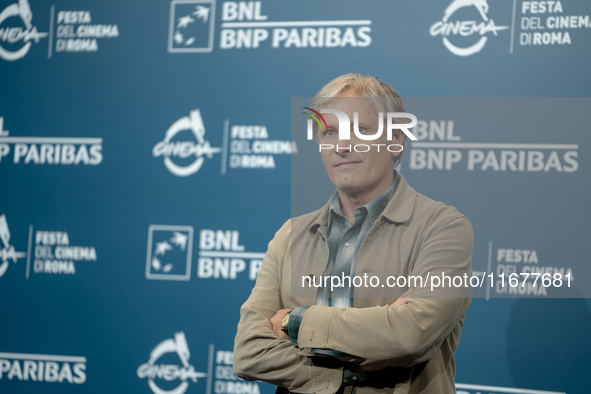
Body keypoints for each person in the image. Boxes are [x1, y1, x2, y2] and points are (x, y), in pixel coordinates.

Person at [233, 73, 473, 394]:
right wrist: (354, 366)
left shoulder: (444, 228)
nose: (343, 145)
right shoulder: (290, 235)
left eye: (360, 129)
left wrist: (294, 322)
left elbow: (410, 336)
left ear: (397, 140)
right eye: (330, 131)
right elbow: (248, 353)